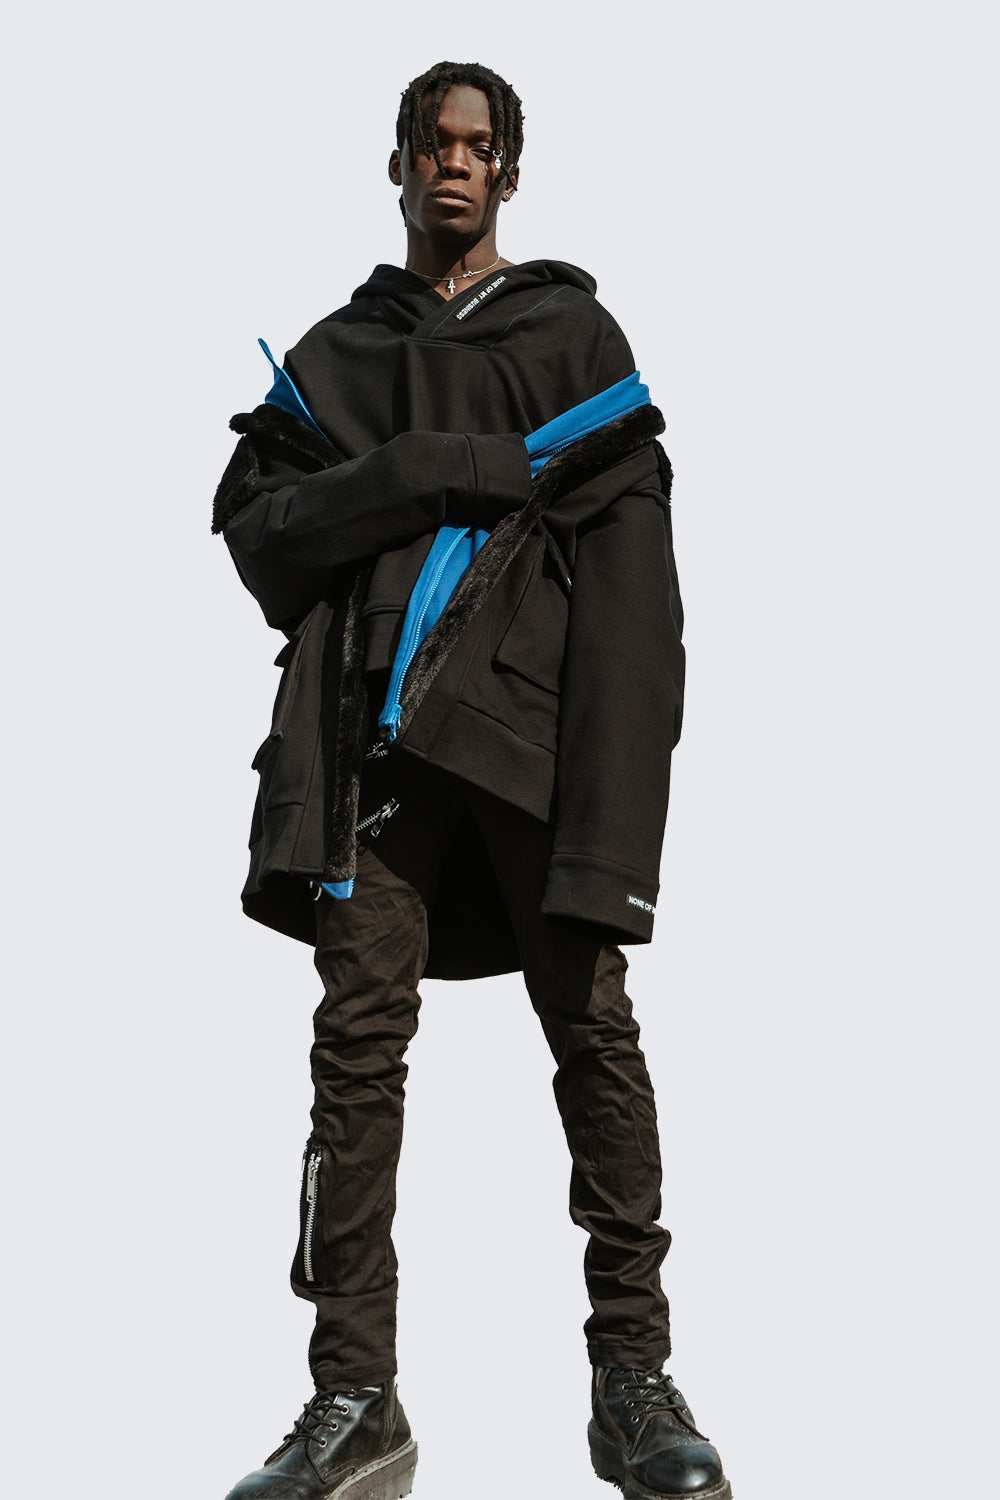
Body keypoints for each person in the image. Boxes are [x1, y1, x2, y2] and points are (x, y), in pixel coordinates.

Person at [213, 59, 731, 1500]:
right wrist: (433, 466)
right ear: (395, 164)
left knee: (594, 1035)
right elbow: (261, 538)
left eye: (477, 144)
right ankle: (353, 1400)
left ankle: (636, 1385)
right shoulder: (340, 356)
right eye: (431, 143)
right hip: (366, 760)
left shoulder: (572, 340)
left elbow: (636, 607)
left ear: (508, 170)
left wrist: (616, 825)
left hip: (527, 752)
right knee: (354, 1055)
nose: (453, 163)